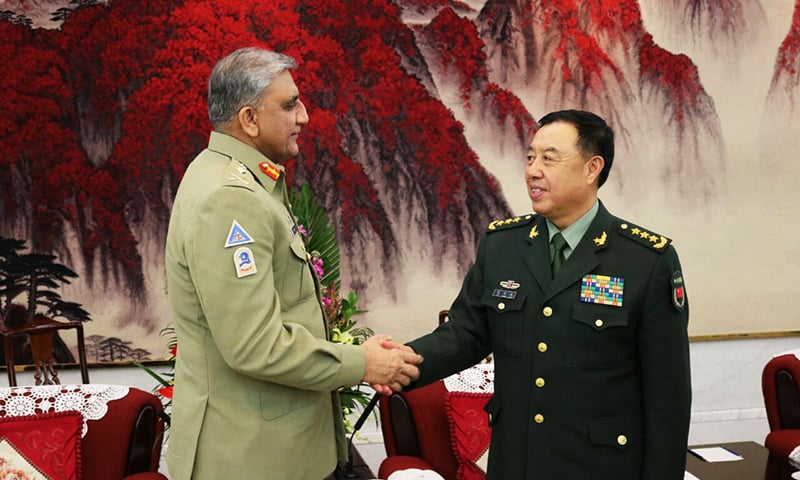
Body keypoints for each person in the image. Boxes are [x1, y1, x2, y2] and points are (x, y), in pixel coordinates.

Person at [164, 47, 422, 480]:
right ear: (249, 119)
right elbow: (254, 345)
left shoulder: (229, 177)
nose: (303, 116)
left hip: (270, 450)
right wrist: (363, 363)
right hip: (256, 460)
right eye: (289, 105)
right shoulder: (230, 199)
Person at [403, 110, 691, 479]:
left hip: (601, 468)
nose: (533, 170)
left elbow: (668, 398)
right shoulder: (503, 246)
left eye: (549, 159)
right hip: (516, 463)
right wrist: (403, 362)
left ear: (592, 168)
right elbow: (466, 333)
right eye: (530, 157)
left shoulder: (646, 261)